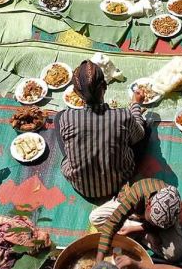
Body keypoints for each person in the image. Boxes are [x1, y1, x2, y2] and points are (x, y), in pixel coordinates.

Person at [58, 61, 147, 201]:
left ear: (75, 93)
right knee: (143, 130)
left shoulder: (67, 117)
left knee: (59, 119)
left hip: (81, 185)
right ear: (105, 87)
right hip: (118, 182)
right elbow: (139, 134)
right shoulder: (123, 115)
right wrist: (135, 105)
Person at [90, 178, 182, 263]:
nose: (153, 224)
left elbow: (160, 226)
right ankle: (143, 234)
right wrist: (99, 260)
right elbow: (112, 222)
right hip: (135, 212)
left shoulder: (173, 207)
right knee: (95, 217)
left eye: (156, 224)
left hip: (145, 223)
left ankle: (141, 234)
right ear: (149, 204)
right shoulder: (136, 195)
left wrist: (135, 229)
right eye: (151, 220)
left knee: (175, 254)